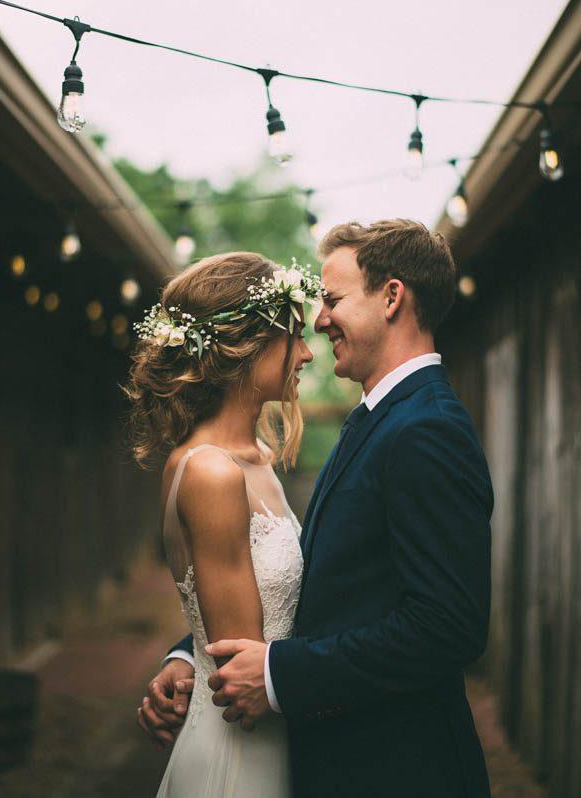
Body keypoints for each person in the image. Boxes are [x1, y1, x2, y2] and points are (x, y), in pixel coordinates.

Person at [142, 220, 494, 798]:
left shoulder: (427, 428)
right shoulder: (377, 419)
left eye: (331, 300)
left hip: (397, 770)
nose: (319, 320)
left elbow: (447, 625)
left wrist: (278, 675)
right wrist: (192, 654)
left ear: (391, 297)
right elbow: (316, 580)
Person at [127, 251, 319, 797]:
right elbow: (242, 669)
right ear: (246, 345)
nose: (305, 354)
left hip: (278, 737)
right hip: (243, 751)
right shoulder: (211, 471)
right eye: (294, 336)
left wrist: (182, 655)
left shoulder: (255, 454)